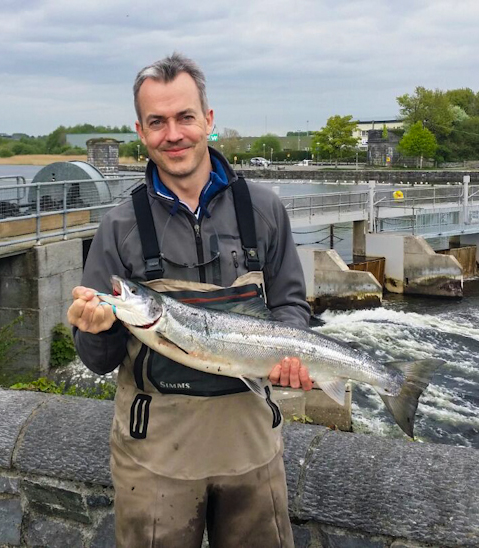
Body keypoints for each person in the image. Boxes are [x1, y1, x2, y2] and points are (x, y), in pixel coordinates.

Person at [67, 53, 312, 548]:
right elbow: (97, 362)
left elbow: (290, 306)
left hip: (252, 446)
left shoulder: (264, 210)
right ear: (141, 130)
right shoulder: (119, 227)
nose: (173, 134)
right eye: (157, 122)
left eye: (185, 117)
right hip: (154, 458)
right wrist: (96, 328)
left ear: (209, 121)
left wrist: (293, 353)